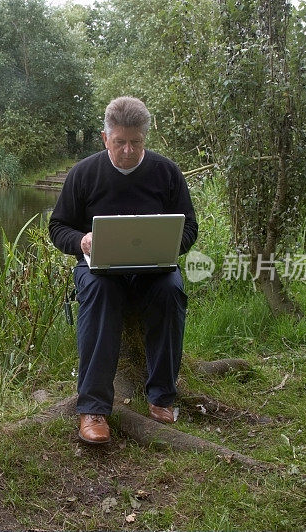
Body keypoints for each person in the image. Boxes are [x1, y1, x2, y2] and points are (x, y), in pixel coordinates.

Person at [48, 96, 198, 444]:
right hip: (99, 270)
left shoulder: (166, 172)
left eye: (136, 143)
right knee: (101, 293)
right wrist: (82, 240)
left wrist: (168, 242)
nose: (128, 151)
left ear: (145, 139)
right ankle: (94, 408)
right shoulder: (84, 173)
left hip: (153, 268)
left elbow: (190, 228)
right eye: (120, 143)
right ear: (105, 138)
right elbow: (58, 228)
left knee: (170, 289)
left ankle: (162, 395)